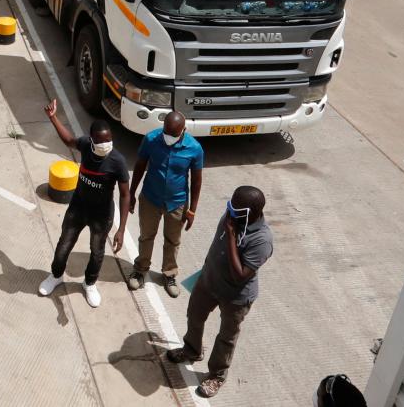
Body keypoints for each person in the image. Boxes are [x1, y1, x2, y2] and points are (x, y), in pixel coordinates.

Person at [166, 186, 273, 399]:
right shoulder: (233, 217)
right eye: (230, 205)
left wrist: (233, 237)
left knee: (227, 337)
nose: (231, 210)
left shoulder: (262, 240)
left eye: (237, 208)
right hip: (209, 281)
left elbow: (240, 275)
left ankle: (217, 375)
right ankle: (192, 350)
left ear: (251, 212)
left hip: (236, 297)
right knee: (194, 315)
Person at [38, 99, 131, 308]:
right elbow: (69, 140)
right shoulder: (85, 146)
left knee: (97, 252)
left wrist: (121, 229)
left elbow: (125, 195)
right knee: (63, 246)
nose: (106, 145)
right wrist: (53, 117)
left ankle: (89, 284)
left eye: (109, 140)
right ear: (91, 140)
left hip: (101, 214)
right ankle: (56, 276)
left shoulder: (118, 162)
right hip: (78, 208)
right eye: (101, 141)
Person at [127, 111, 204, 296]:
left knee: (173, 240)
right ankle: (140, 270)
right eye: (166, 132)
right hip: (150, 198)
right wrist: (131, 193)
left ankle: (169, 274)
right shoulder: (151, 139)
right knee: (146, 236)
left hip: (176, 203)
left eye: (173, 134)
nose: (168, 137)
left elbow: (196, 180)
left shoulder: (195, 149)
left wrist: (192, 210)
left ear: (183, 130)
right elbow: (139, 166)